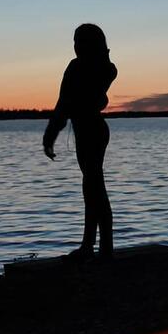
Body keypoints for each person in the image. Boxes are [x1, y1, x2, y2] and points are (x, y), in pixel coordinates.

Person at [43, 23, 117, 260]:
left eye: (79, 41)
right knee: (91, 187)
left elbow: (63, 104)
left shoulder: (78, 68)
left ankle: (101, 247)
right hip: (91, 131)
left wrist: (50, 134)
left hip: (91, 132)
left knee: (95, 187)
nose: (75, 47)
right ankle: (92, 245)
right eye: (74, 42)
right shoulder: (105, 68)